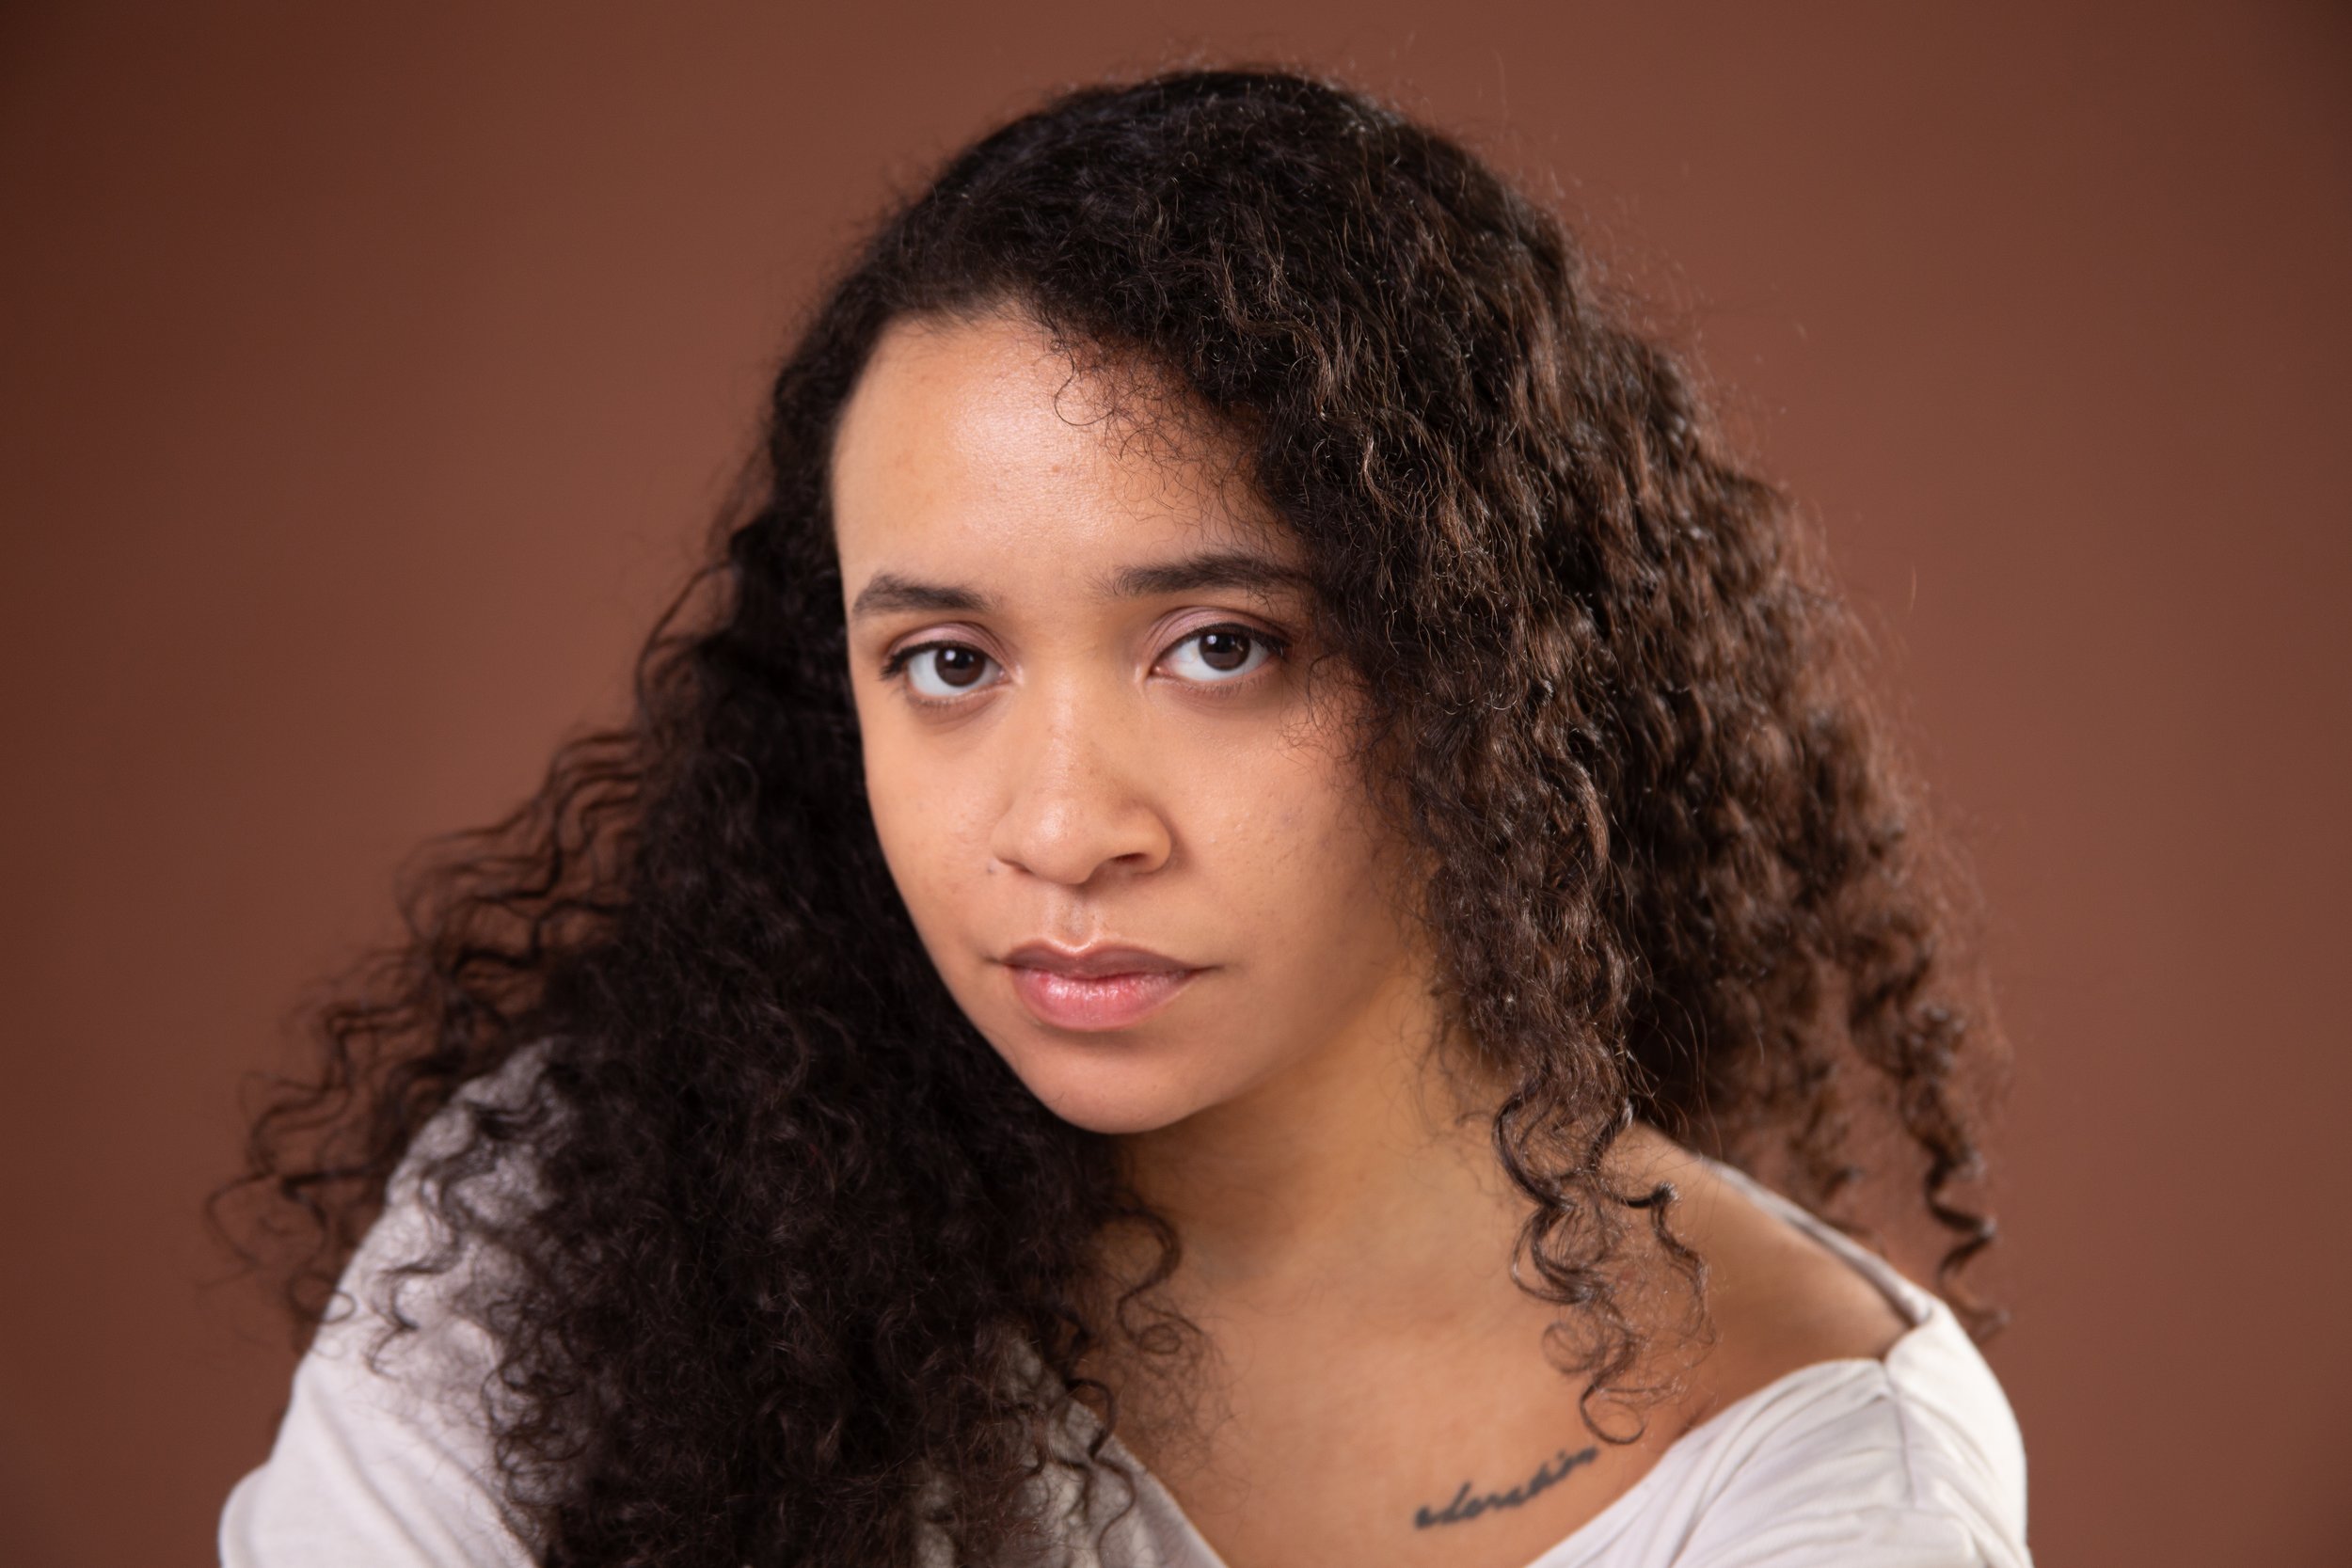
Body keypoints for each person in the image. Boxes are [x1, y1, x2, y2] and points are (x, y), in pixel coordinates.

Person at [214, 66, 2028, 1568]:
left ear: (1495, 675)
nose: (1064, 829)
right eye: (944, 662)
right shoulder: (584, 1233)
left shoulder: (1827, 1486)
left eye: (1221, 647)